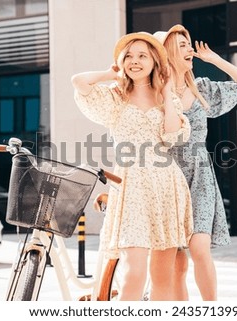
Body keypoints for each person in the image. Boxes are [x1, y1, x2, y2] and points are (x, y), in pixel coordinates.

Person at [71, 32, 193, 301]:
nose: (134, 61)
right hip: (130, 185)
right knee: (132, 271)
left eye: (142, 56)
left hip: (165, 184)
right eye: (129, 56)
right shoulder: (115, 96)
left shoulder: (166, 100)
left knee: (163, 277)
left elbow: (173, 136)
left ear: (154, 62)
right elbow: (79, 82)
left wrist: (167, 91)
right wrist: (108, 73)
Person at [153, 25, 237, 301]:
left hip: (199, 175)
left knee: (200, 248)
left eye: (188, 44)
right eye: (182, 45)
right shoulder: (155, 94)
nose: (190, 49)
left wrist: (215, 59)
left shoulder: (202, 88)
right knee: (177, 261)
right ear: (167, 54)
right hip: (167, 175)